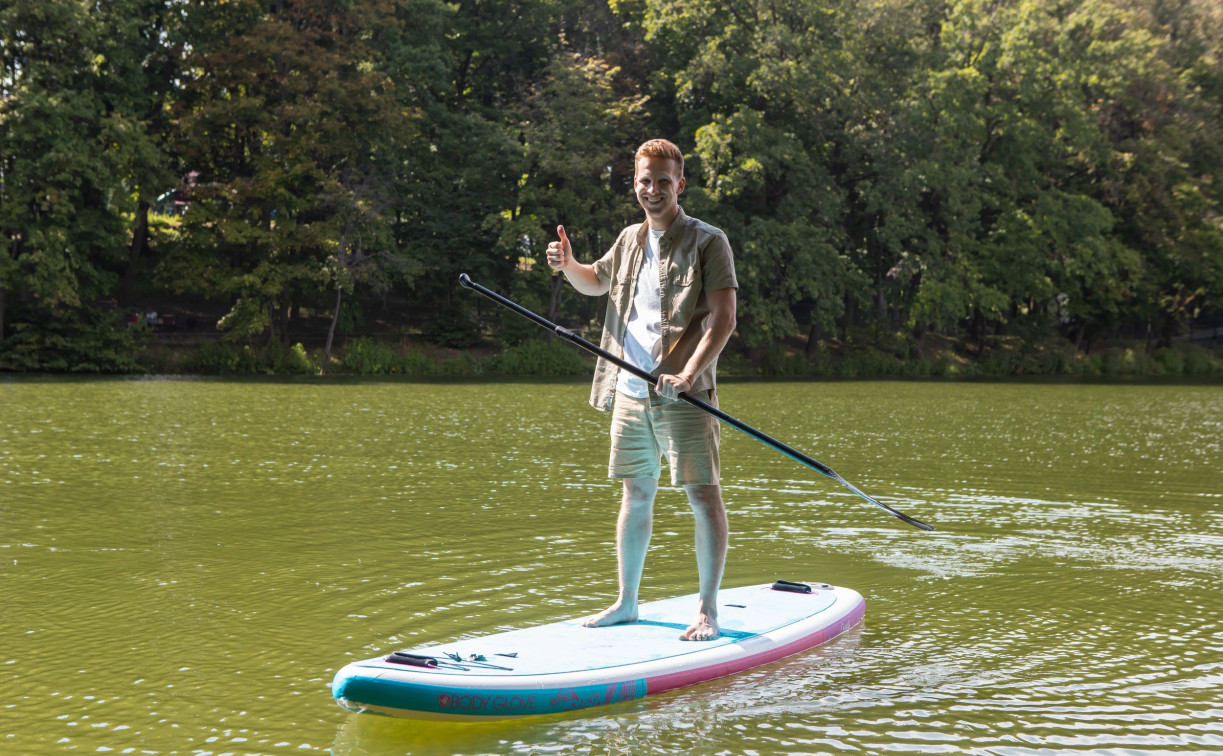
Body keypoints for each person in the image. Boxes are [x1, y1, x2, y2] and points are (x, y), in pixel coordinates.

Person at [546, 138, 738, 641]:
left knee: (702, 494)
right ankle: (627, 602)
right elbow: (595, 282)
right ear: (635, 183)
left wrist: (689, 373)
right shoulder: (629, 238)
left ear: (680, 184)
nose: (652, 190)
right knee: (636, 492)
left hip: (683, 393)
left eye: (662, 181)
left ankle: (708, 610)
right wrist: (569, 265)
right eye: (644, 181)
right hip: (629, 390)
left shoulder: (708, 241)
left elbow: (723, 318)